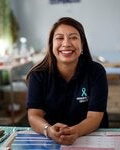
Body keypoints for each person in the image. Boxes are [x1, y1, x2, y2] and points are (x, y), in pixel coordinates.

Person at [26, 17, 108, 145]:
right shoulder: (38, 75)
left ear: (82, 45)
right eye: (59, 38)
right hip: (52, 140)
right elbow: (34, 115)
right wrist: (48, 130)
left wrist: (75, 131)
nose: (66, 43)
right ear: (51, 45)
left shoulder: (96, 71)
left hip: (91, 138)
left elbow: (95, 117)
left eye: (73, 37)